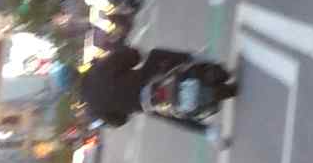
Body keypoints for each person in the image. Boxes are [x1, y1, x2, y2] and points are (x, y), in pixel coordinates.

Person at [77, 41, 234, 136]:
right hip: (148, 77)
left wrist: (124, 106)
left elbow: (119, 122)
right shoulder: (98, 69)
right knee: (156, 54)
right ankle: (196, 57)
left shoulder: (92, 109)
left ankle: (208, 132)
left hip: (143, 104)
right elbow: (133, 56)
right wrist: (131, 53)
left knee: (170, 116)